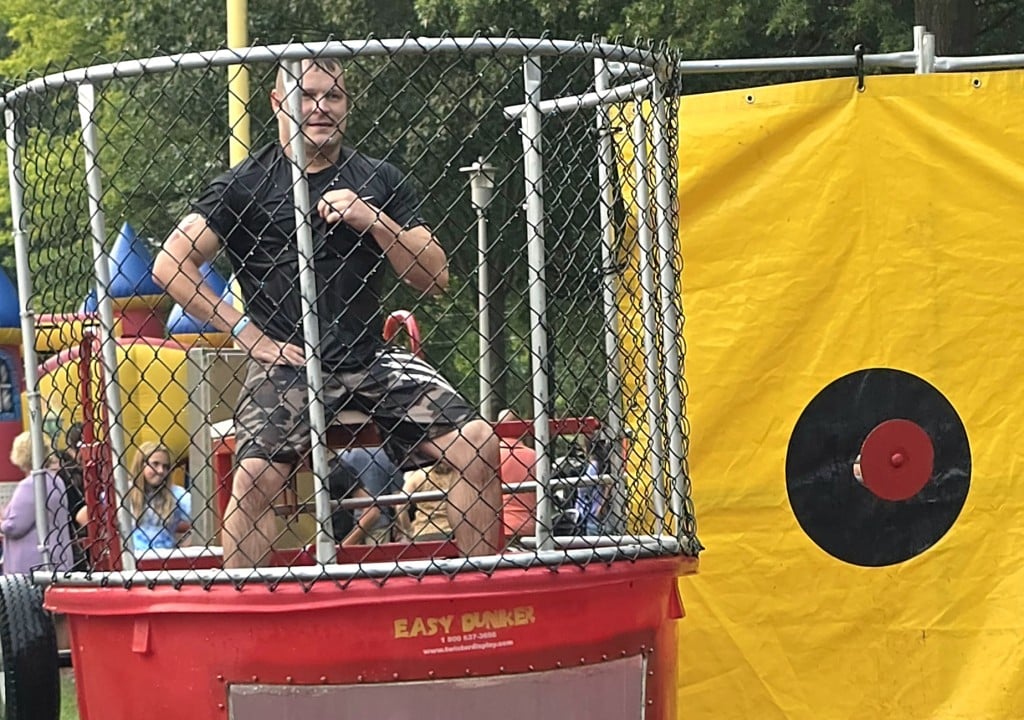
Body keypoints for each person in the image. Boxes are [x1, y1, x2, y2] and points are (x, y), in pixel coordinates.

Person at [152, 57, 501, 567]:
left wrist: (373, 219)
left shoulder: (379, 178)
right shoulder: (243, 185)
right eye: (307, 96)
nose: (320, 108)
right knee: (253, 479)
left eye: (332, 96)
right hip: (288, 362)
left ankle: (483, 591)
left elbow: (434, 276)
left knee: (479, 444)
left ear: (347, 105)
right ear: (278, 104)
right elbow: (169, 264)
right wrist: (246, 333)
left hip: (370, 357)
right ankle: (249, 608)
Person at [1, 432, 73, 574]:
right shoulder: (56, 480)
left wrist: (2, 523)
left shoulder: (29, 485)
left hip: (32, 564)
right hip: (59, 556)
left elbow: (15, 527)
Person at [125, 441, 192, 554]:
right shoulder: (125, 492)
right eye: (155, 464)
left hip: (166, 557)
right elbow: (91, 515)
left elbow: (204, 519)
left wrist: (185, 544)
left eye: (165, 467)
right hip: (131, 556)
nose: (161, 471)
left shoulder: (176, 494)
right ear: (141, 465)